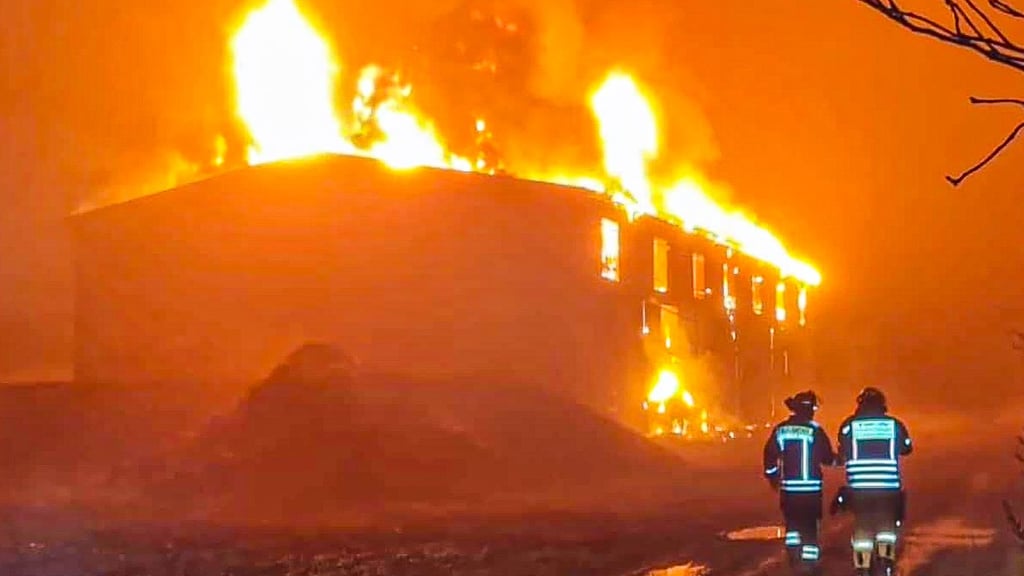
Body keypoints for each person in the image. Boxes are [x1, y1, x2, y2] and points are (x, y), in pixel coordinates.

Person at [836, 386, 912, 575]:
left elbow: (841, 449)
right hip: (888, 488)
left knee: (862, 525)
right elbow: (907, 448)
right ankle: (886, 560)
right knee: (886, 525)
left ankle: (862, 566)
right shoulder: (894, 424)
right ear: (882, 404)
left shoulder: (848, 425)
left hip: (859, 488)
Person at [763, 390, 836, 573]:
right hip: (811, 491)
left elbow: (770, 454)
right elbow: (827, 458)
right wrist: (841, 459)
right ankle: (809, 564)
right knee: (810, 527)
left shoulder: (781, 430)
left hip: (789, 490)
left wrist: (773, 476)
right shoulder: (815, 430)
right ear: (810, 409)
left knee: (793, 525)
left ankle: (793, 557)